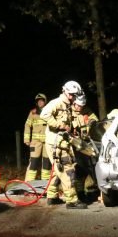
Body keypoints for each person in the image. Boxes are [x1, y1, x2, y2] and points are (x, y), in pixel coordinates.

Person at [39, 80, 88, 209]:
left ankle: (52, 196)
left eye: (74, 95)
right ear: (64, 91)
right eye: (71, 94)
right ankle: (72, 200)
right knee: (67, 170)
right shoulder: (57, 103)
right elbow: (44, 114)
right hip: (56, 144)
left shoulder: (67, 105)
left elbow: (69, 121)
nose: (72, 97)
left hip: (62, 142)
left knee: (58, 170)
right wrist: (59, 125)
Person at [71, 94, 99, 202]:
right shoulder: (69, 112)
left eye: (81, 106)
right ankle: (79, 193)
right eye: (78, 105)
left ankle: (92, 190)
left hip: (86, 144)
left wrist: (91, 122)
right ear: (74, 103)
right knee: (78, 169)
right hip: (74, 144)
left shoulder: (86, 110)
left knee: (90, 167)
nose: (80, 108)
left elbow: (94, 119)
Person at [23, 93, 51, 182]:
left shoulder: (49, 112)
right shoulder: (33, 112)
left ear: (45, 101)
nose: (40, 102)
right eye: (38, 101)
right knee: (33, 162)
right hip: (35, 142)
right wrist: (26, 139)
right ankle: (29, 182)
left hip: (47, 142)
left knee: (47, 162)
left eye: (41, 101)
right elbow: (27, 125)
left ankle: (45, 182)